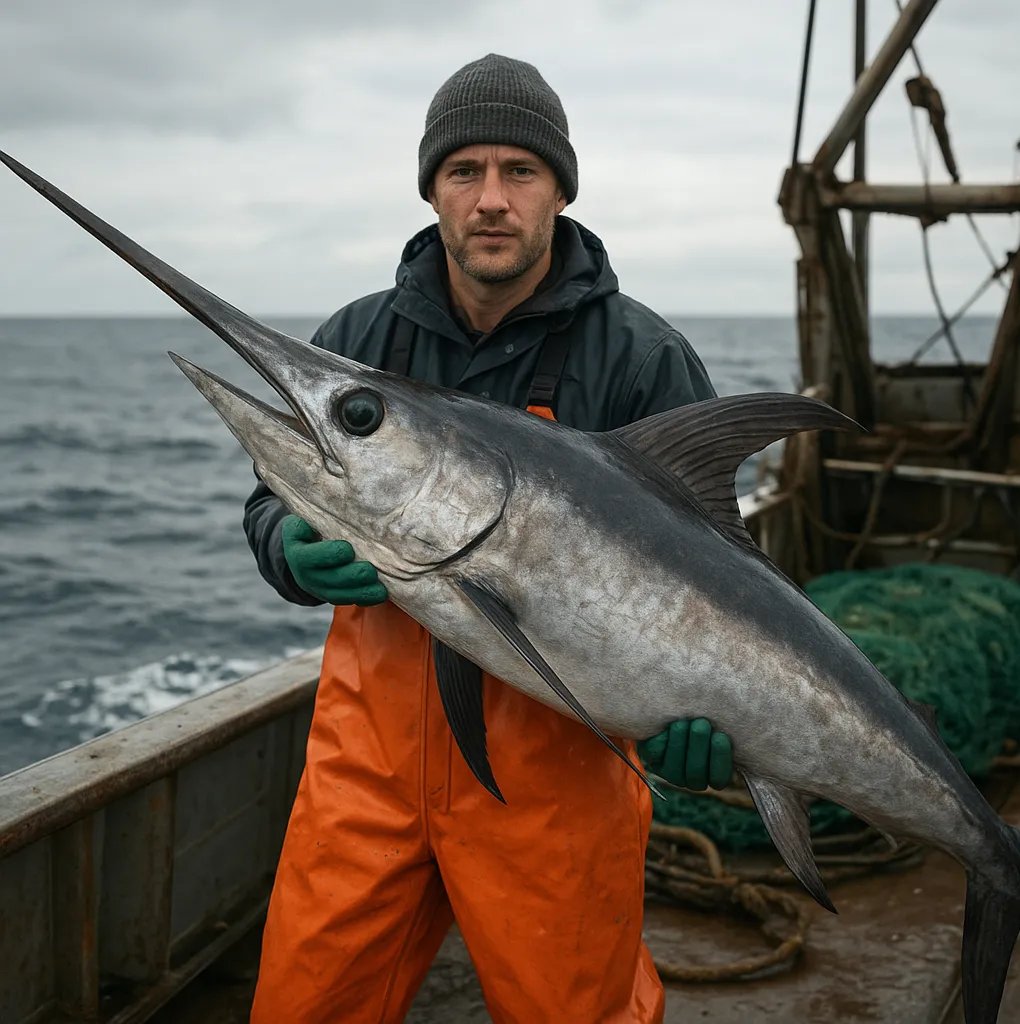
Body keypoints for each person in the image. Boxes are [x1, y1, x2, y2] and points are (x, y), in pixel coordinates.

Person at [245, 53, 733, 1024]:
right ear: (432, 190)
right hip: (363, 771)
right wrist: (284, 546)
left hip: (553, 781)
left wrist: (708, 705)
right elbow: (269, 497)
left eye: (521, 171)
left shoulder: (643, 361)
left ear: (560, 188)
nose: (492, 199)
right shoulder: (355, 341)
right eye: (464, 172)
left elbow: (725, 575)